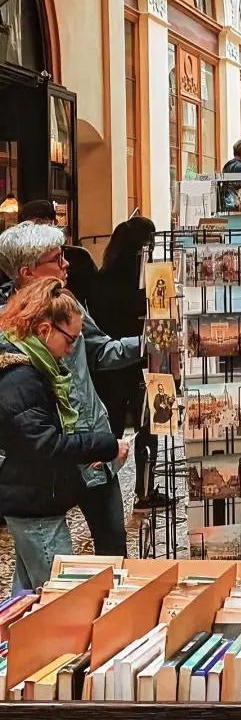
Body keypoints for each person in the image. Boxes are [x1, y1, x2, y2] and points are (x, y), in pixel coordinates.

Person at [0, 223, 140, 555]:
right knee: (45, 557)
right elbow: (22, 413)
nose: (67, 265)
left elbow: (102, 351)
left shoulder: (66, 304)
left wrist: (149, 343)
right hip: (49, 462)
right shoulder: (8, 327)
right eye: (57, 258)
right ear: (28, 271)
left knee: (111, 544)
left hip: (92, 446)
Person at [0, 279, 125, 591]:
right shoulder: (21, 379)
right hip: (35, 503)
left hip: (32, 498)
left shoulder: (31, 368)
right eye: (70, 340)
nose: (71, 349)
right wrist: (104, 445)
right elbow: (45, 446)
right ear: (44, 331)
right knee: (58, 597)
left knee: (27, 595)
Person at [87, 217, 165, 511]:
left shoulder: (99, 281)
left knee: (111, 431)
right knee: (147, 429)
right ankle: (144, 492)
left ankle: (103, 491)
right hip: (138, 363)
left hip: (106, 367)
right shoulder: (142, 283)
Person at [17, 199, 98, 305]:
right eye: (30, 226)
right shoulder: (14, 260)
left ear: (54, 223)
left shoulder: (79, 257)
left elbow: (97, 297)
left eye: (42, 223)